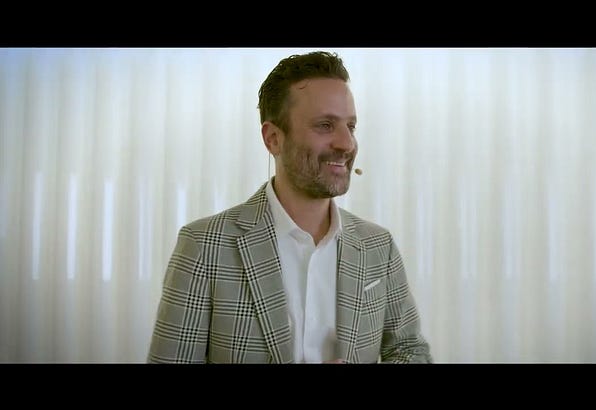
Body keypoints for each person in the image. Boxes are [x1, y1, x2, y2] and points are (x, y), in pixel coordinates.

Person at [147, 51, 432, 363]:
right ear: (273, 139)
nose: (347, 143)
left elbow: (410, 351)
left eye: (351, 126)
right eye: (325, 125)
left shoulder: (378, 246)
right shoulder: (203, 246)